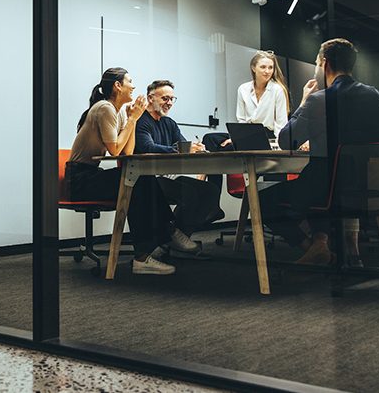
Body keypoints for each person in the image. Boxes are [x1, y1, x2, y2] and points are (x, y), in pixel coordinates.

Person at [261, 38, 379, 265]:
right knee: (315, 178)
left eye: (316, 64)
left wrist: (303, 101)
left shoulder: (321, 100)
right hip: (371, 187)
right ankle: (320, 242)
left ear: (325, 64)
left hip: (330, 189)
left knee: (263, 200)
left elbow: (286, 141)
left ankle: (312, 247)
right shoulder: (376, 96)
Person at [66, 68, 177, 275]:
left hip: (89, 175)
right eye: (130, 81)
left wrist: (131, 119)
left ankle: (164, 234)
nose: (134, 86)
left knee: (139, 179)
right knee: (137, 181)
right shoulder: (104, 108)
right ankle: (154, 246)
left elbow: (127, 152)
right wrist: (134, 119)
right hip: (80, 180)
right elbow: (115, 150)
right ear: (118, 86)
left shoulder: (117, 112)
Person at [134, 80, 224, 255]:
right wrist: (179, 148)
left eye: (172, 99)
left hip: (169, 176)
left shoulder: (170, 123)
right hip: (147, 179)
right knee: (189, 193)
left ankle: (178, 234)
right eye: (165, 98)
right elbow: (148, 147)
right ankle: (174, 236)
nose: (169, 103)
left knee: (210, 190)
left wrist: (197, 149)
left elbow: (183, 146)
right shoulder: (141, 121)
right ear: (150, 98)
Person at [202, 51, 291, 190]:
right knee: (210, 139)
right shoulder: (243, 89)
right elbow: (241, 119)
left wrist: (279, 148)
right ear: (253, 68)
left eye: (270, 67)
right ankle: (213, 202)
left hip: (267, 136)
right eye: (263, 67)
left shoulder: (278, 90)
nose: (267, 71)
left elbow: (281, 123)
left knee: (222, 149)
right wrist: (236, 138)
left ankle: (210, 169)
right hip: (246, 134)